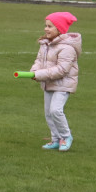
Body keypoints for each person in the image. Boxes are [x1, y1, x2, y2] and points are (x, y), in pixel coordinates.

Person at [30, 11, 81, 152]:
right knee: (48, 113)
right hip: (48, 83)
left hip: (63, 84)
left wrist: (39, 74)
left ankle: (66, 136)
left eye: (50, 26)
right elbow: (39, 61)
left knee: (56, 110)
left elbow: (62, 70)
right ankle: (56, 139)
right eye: (46, 26)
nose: (46, 29)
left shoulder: (67, 48)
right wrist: (34, 70)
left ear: (59, 29)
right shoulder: (45, 44)